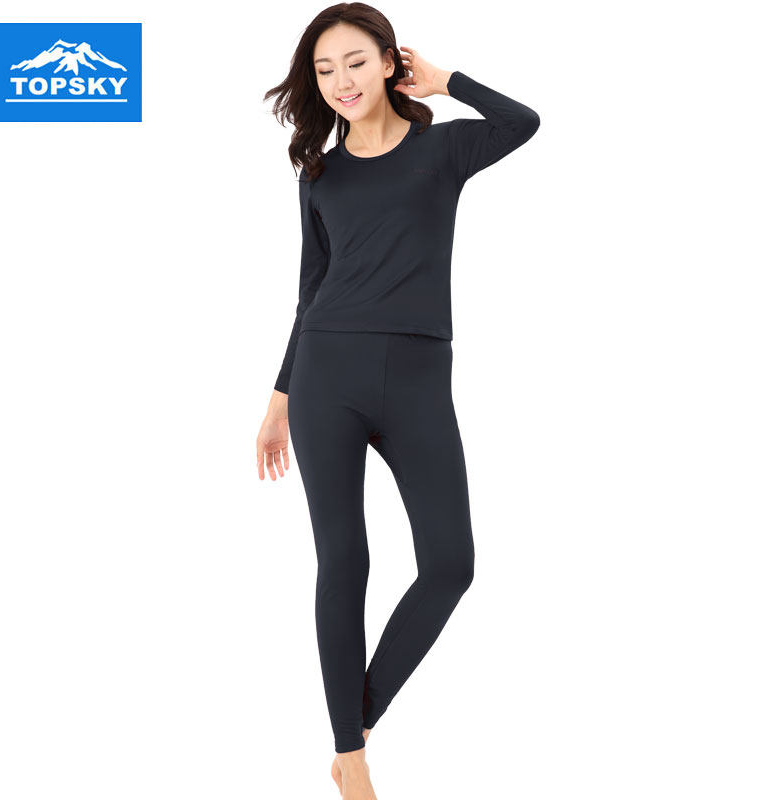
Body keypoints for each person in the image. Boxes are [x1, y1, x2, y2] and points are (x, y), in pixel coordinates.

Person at [256, 5, 539, 797]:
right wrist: (278, 398)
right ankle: (349, 757)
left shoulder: (443, 149)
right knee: (345, 559)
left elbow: (522, 122)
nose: (340, 81)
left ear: (389, 62)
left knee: (450, 565)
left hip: (418, 376)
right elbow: (310, 288)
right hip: (327, 373)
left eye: (355, 61)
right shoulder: (319, 173)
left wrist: (446, 82)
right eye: (324, 70)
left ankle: (360, 719)